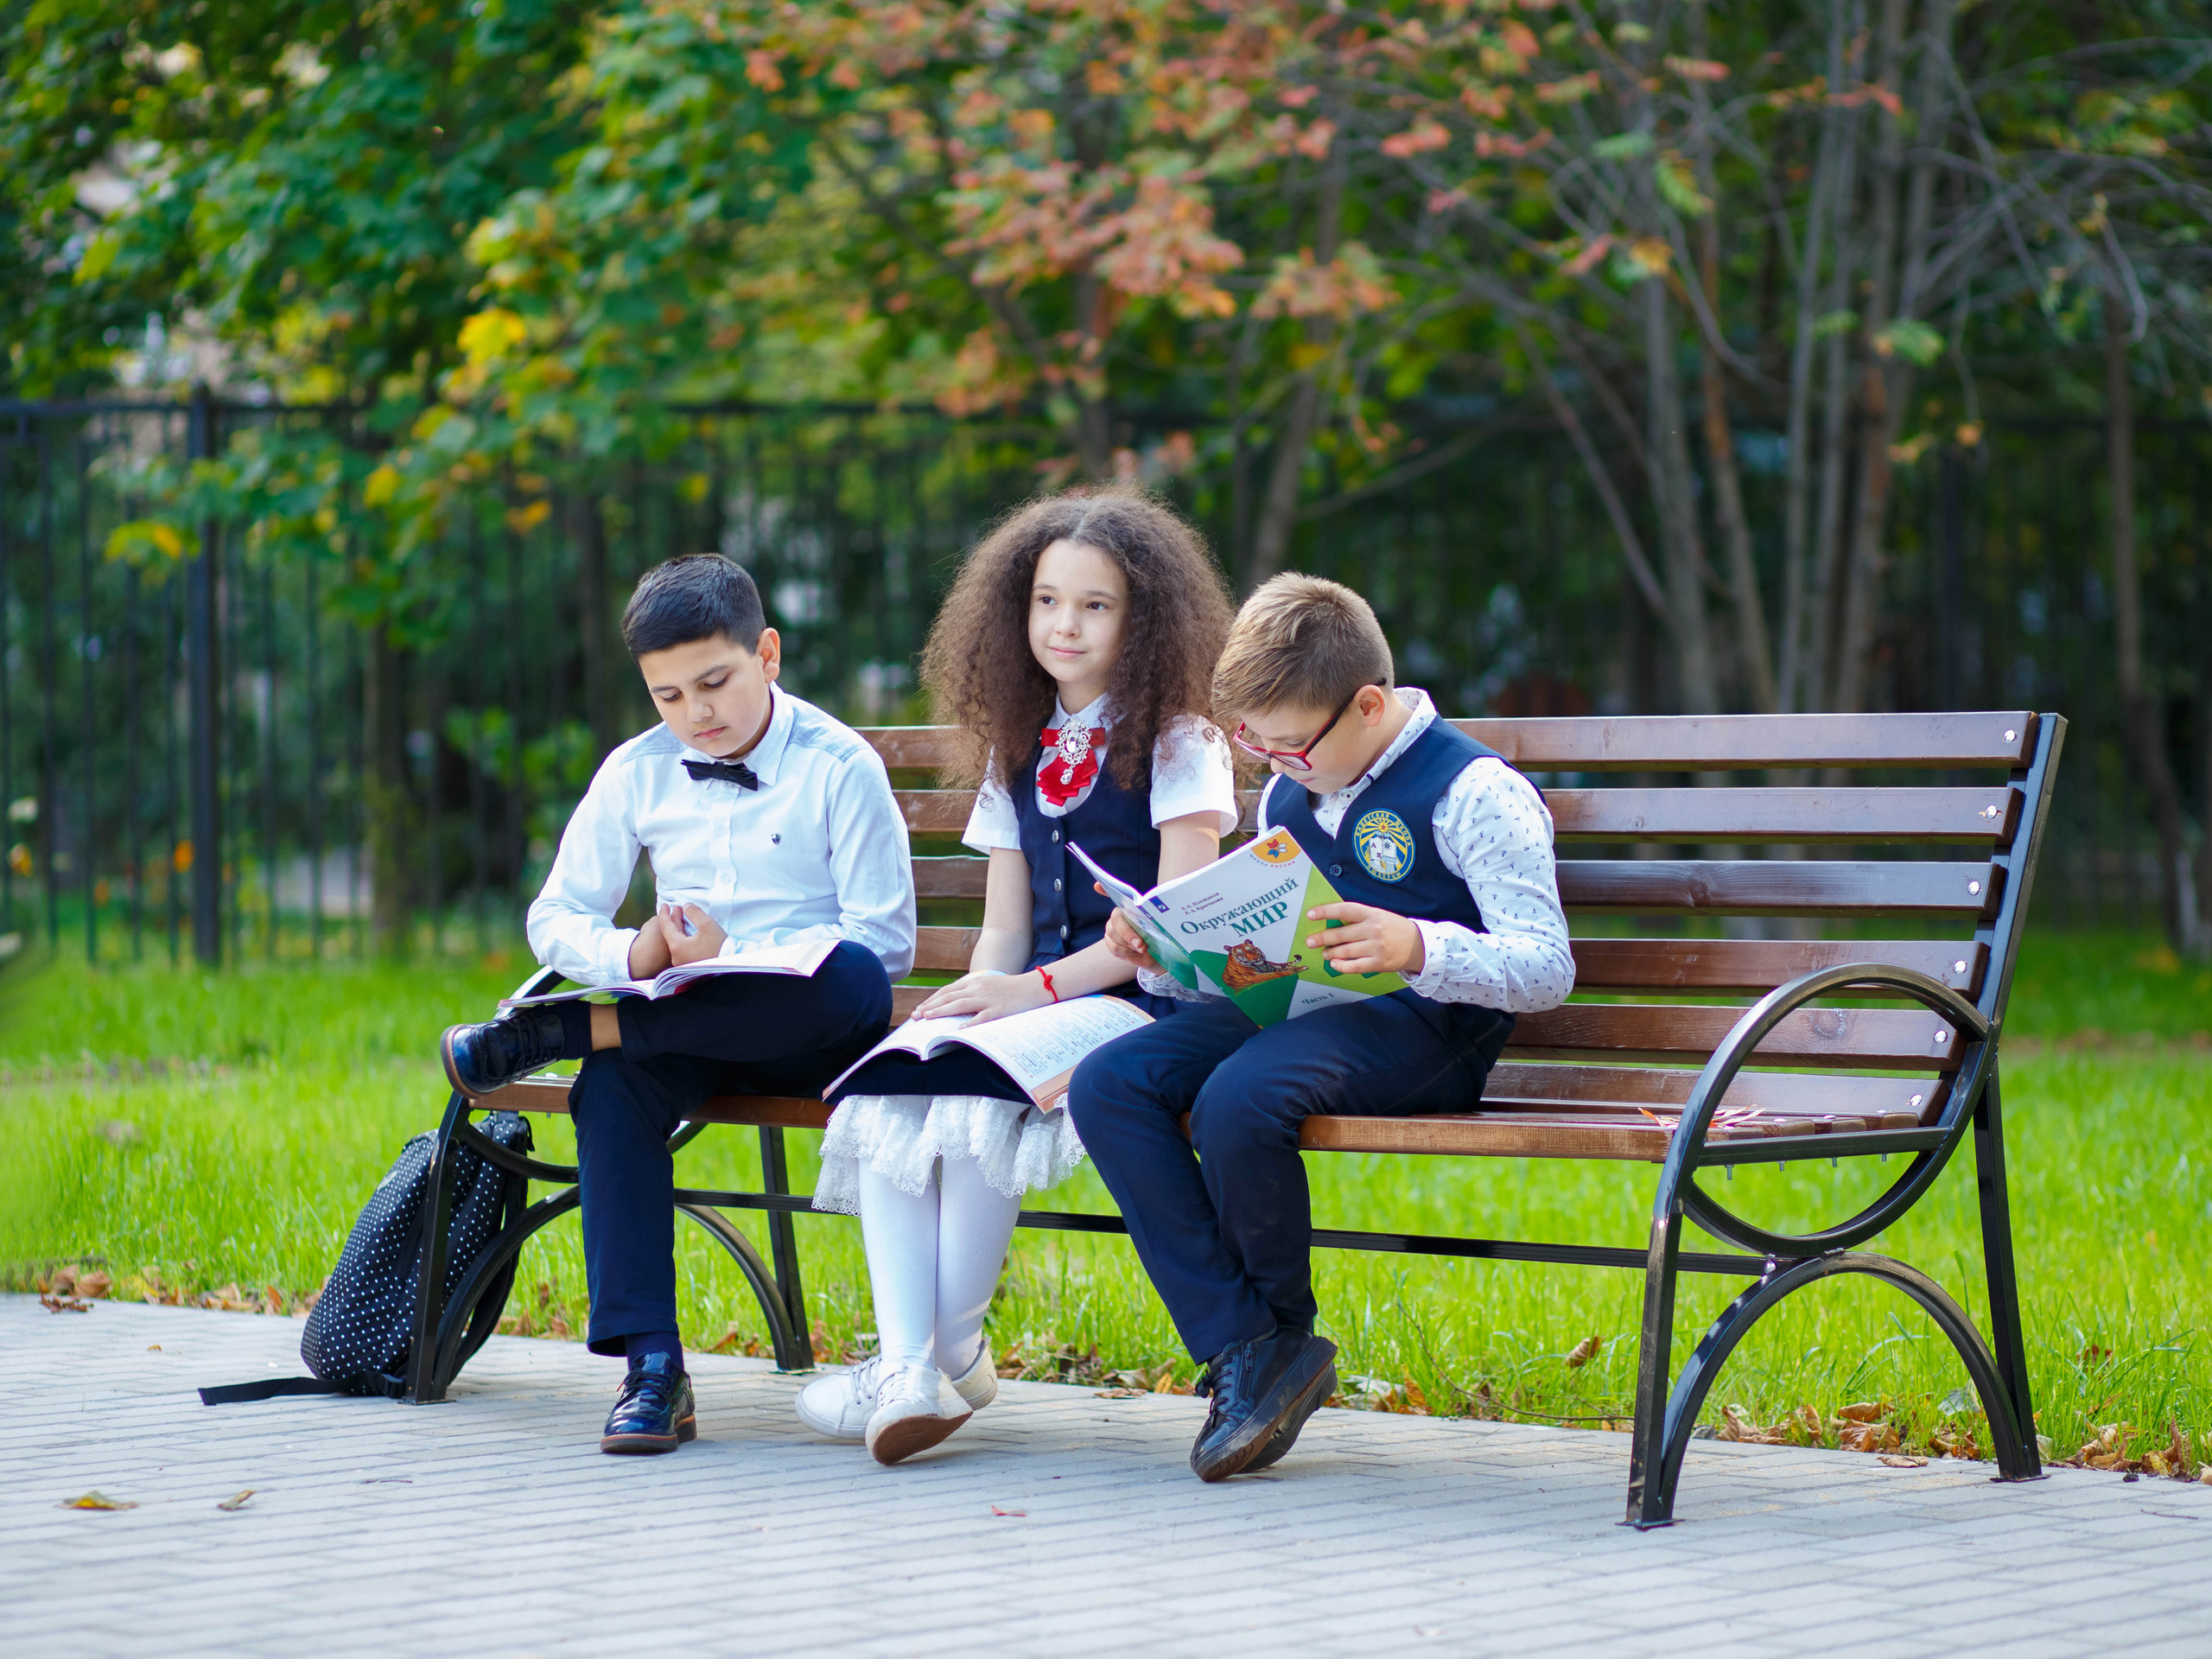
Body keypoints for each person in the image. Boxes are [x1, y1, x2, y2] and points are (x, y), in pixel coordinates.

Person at [1067, 574, 1573, 1482]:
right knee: (1111, 1082)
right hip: (1299, 1015)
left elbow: (1545, 968)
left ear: (1368, 705)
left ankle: (1271, 1345)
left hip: (1428, 1033)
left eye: (1291, 746)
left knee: (1241, 1096)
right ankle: (1250, 1349)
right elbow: (1257, 961)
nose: (1272, 764)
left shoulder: (1475, 792)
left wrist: (1420, 946)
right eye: (1254, 744)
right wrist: (1160, 953)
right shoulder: (1288, 798)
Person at [796, 486, 1238, 1465]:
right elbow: (1002, 931)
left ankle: (938, 1354)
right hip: (1034, 1001)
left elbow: (1173, 937)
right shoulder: (1017, 744)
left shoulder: (1182, 742)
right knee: (900, 1078)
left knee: (976, 1091)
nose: (1064, 625)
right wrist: (965, 1005)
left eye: (1095, 603)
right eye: (1045, 601)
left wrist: (1025, 997)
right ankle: (916, 1364)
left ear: (1145, 617)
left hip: (1139, 1014)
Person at [440, 554, 913, 1457]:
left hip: (812, 1031)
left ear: (767, 654)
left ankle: (569, 1030)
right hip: (688, 1024)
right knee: (612, 1087)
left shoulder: (838, 765)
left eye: (714, 682)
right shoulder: (640, 771)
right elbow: (555, 912)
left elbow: (882, 947)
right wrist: (636, 952)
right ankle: (652, 1368)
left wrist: (742, 958)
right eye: (667, 696)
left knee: (847, 980)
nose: (696, 713)